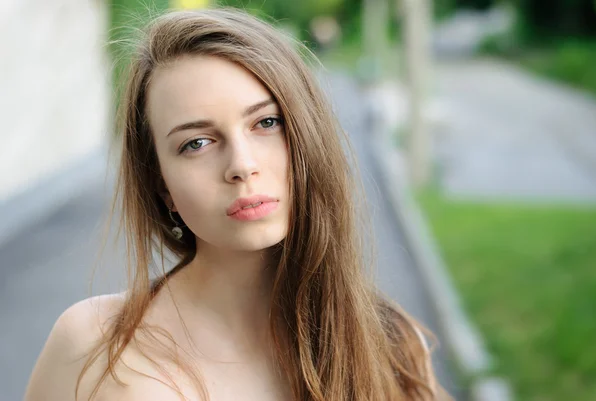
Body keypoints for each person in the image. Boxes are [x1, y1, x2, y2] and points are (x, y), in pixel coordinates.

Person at [24, 8, 446, 401]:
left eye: (266, 122)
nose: (242, 166)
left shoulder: (391, 345)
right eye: (197, 143)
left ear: (307, 133)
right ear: (163, 186)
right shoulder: (90, 346)